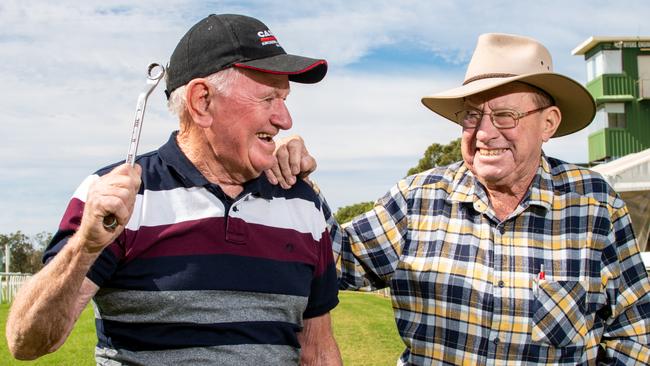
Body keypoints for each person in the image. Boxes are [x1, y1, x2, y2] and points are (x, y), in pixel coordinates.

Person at [270, 33, 650, 364]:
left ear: (547, 123)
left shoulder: (594, 205)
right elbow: (334, 261)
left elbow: (634, 332)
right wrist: (298, 176)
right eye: (472, 116)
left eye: (504, 116)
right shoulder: (419, 198)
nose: (484, 132)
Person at [6, 14, 341, 365]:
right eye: (269, 99)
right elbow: (26, 342)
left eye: (284, 100)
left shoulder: (301, 203)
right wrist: (85, 247)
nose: (285, 120)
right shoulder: (118, 197)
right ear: (202, 102)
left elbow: (318, 351)